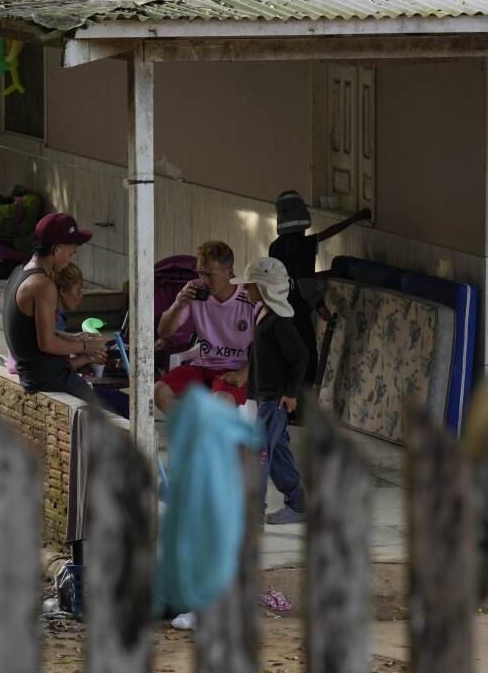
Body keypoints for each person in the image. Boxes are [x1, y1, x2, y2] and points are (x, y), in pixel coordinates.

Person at [231, 257, 309, 525]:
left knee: (258, 452)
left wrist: (291, 393)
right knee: (277, 452)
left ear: (265, 288)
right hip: (264, 396)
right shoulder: (263, 311)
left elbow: (301, 357)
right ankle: (298, 504)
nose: (244, 290)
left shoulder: (280, 321)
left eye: (250, 285)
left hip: (275, 399)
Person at [268, 190, 370, 390]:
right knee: (307, 358)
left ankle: (289, 402)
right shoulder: (304, 245)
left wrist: (355, 217)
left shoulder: (275, 246)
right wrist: (320, 306)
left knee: (288, 357)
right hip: (297, 312)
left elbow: (287, 274)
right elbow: (304, 281)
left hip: (278, 310)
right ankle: (302, 405)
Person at [3, 213, 107, 401]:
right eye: (71, 252)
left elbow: (33, 332)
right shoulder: (43, 285)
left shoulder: (18, 272)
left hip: (37, 377)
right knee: (123, 413)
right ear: (57, 250)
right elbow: (47, 343)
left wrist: (74, 337)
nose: (71, 258)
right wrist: (86, 346)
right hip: (50, 380)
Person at [155, 241, 256, 413]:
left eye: (210, 275)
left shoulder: (249, 297)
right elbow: (163, 332)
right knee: (158, 391)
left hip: (234, 369)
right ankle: (189, 432)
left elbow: (268, 347)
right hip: (202, 365)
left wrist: (244, 373)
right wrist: (179, 305)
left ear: (229, 272)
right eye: (200, 273)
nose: (203, 281)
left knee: (220, 403)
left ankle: (207, 436)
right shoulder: (193, 289)